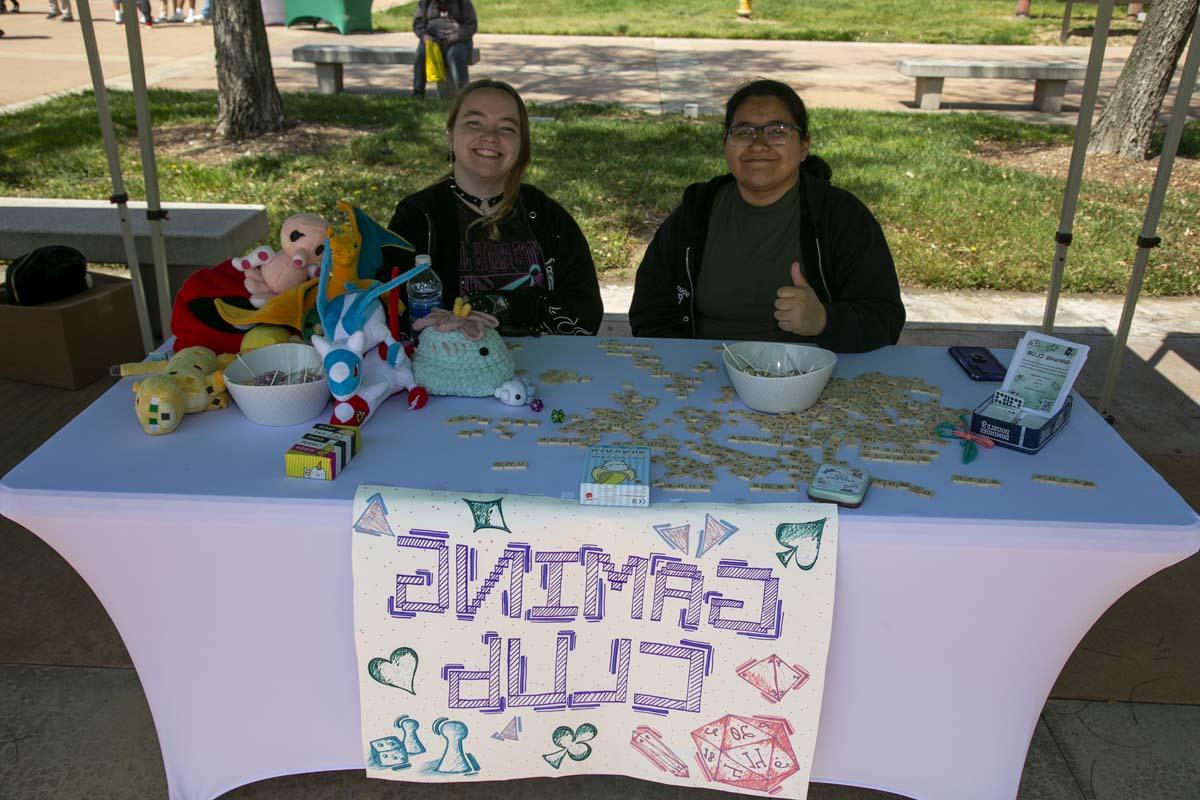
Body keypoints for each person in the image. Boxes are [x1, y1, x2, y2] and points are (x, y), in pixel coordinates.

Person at [630, 79, 904, 353]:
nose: (758, 144)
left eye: (777, 131)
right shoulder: (695, 214)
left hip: (813, 378)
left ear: (804, 146)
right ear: (726, 142)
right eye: (743, 132)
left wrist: (825, 321)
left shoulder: (840, 215)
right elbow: (651, 310)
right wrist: (685, 366)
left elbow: (885, 319)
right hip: (705, 377)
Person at [386, 79, 603, 337]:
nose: (490, 136)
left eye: (507, 128)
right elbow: (389, 314)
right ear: (450, 134)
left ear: (521, 145)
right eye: (474, 123)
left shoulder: (548, 217)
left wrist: (508, 305)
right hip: (445, 371)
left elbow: (585, 314)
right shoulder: (418, 217)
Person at [411, 0, 476, 98]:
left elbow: (471, 25)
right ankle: (418, 92)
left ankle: (463, 94)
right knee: (421, 54)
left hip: (457, 41)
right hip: (432, 40)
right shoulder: (425, 2)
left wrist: (458, 36)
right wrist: (424, 36)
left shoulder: (463, 2)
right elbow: (418, 23)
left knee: (456, 55)